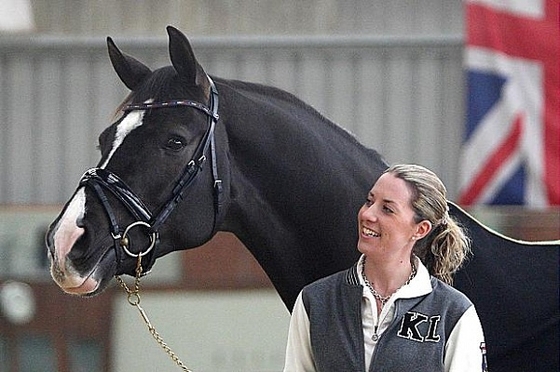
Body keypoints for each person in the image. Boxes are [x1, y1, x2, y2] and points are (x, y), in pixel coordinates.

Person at [283, 164, 487, 372]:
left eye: (387, 209)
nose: (368, 214)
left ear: (420, 229)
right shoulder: (316, 301)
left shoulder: (453, 312)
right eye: (369, 201)